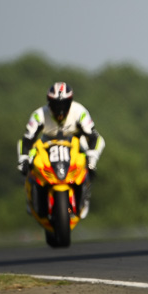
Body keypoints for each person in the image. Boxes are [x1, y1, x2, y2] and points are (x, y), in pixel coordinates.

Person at [17, 82, 106, 218]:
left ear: (70, 102)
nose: (60, 110)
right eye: (56, 105)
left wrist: (91, 159)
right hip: (46, 145)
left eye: (64, 105)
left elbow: (94, 137)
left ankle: (84, 195)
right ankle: (31, 198)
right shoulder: (39, 115)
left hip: (75, 144)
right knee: (30, 159)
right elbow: (27, 139)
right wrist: (23, 159)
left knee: (89, 156)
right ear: (49, 103)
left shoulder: (80, 112)